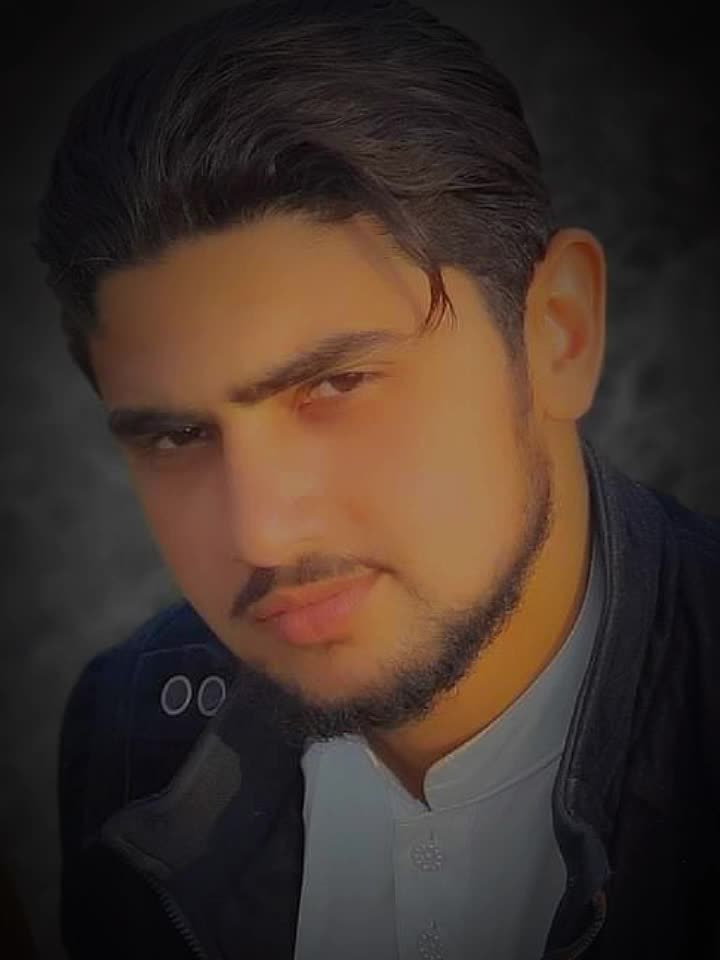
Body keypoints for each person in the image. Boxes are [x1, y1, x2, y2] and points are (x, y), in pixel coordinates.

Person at [34, 0, 720, 957]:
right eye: (180, 436)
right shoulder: (128, 732)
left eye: (335, 385)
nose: (263, 534)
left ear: (558, 335)